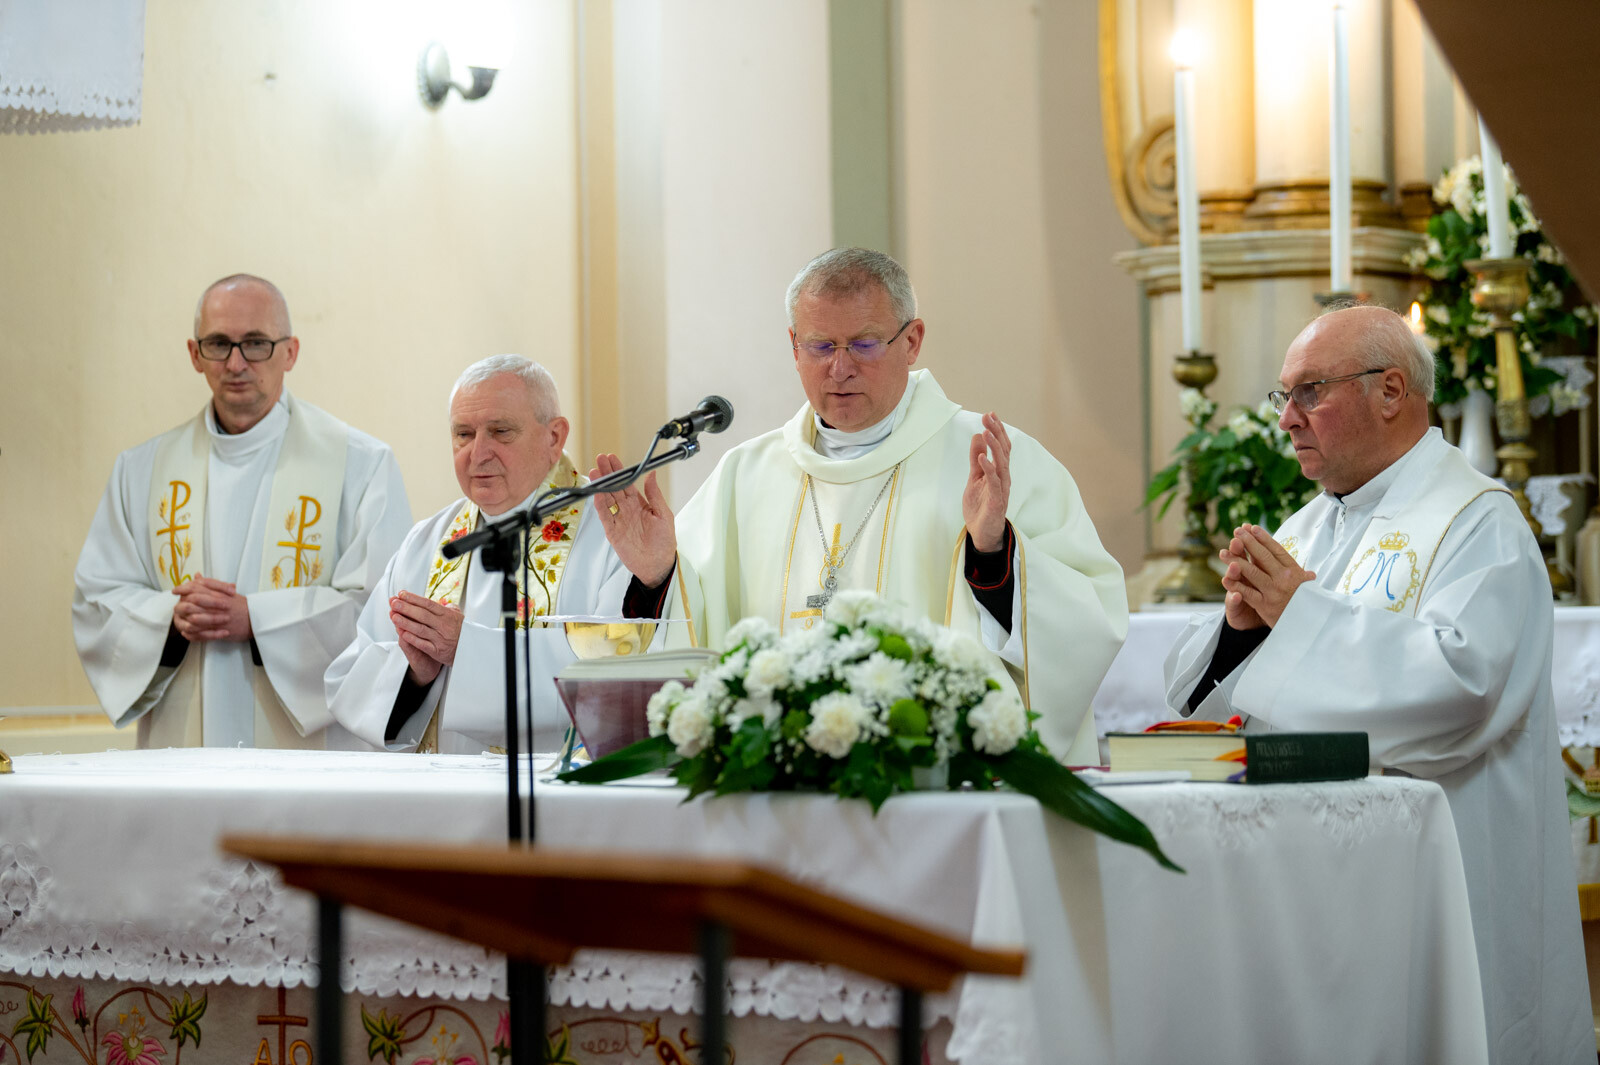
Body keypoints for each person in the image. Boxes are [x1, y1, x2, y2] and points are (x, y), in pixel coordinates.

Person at [1163, 304, 1591, 1063]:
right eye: (1283, 396)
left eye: (1309, 392)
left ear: (1390, 391)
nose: (1286, 418)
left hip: (1446, 871)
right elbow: (1223, 699)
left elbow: (1462, 687)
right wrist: (1242, 630)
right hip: (1316, 875)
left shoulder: (1478, 522)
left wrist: (1301, 616)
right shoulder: (1307, 526)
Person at [593, 247, 1127, 762]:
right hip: (777, 779)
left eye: (864, 344)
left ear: (912, 341)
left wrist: (993, 552)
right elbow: (690, 645)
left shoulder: (991, 460)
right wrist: (657, 575)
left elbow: (1086, 626)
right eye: (820, 346)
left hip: (935, 781)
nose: (839, 368)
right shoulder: (745, 474)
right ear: (793, 346)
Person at [73, 274, 412, 748]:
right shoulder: (141, 470)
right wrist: (171, 619)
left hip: (307, 759)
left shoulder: (361, 464)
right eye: (218, 344)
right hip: (181, 747)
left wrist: (257, 621)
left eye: (256, 343)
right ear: (195, 354)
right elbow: (97, 601)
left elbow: (383, 611)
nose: (236, 363)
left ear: (290, 352)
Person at [327, 355, 653, 753]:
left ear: (554, 438)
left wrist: (467, 650)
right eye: (463, 434)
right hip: (442, 788)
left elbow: (621, 673)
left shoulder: (612, 535)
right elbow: (352, 681)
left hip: (553, 786)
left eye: (501, 432)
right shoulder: (427, 542)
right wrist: (414, 676)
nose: (478, 453)